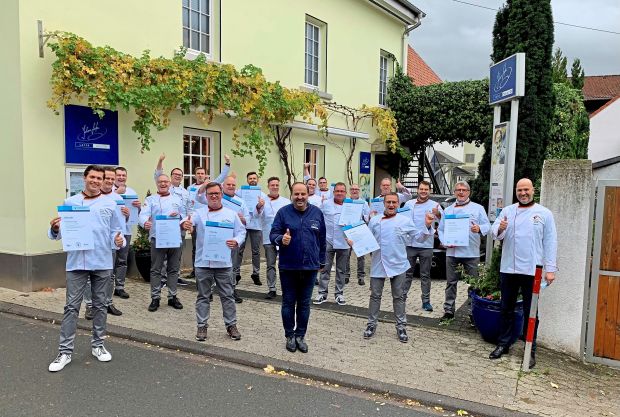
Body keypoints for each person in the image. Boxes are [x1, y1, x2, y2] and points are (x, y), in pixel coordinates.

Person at [47, 165, 126, 372]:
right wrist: (55, 228)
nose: (96, 181)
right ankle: (64, 352)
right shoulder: (70, 203)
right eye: (92, 177)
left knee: (100, 306)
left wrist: (118, 241)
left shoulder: (111, 203)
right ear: (85, 178)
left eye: (99, 178)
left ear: (103, 181)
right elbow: (62, 233)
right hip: (76, 263)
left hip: (102, 262)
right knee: (71, 307)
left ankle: (98, 345)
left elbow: (116, 233)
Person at [489, 178, 557, 369]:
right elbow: (495, 232)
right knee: (506, 308)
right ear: (516, 191)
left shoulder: (544, 214)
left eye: (526, 189)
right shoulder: (508, 211)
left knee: (531, 312)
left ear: (532, 190)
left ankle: (530, 349)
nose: (523, 193)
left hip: (532, 270)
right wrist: (500, 229)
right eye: (519, 190)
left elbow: (550, 242)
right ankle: (503, 344)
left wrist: (550, 270)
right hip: (509, 268)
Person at [354, 192, 434, 343]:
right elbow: (367, 240)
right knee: (375, 296)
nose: (391, 205)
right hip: (378, 263)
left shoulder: (405, 221)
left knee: (399, 297)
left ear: (398, 204)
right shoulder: (375, 221)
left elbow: (419, 237)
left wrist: (427, 225)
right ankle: (371, 325)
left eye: (394, 202)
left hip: (399, 264)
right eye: (388, 202)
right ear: (384, 203)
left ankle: (401, 326)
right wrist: (355, 242)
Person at [181, 182, 245, 342]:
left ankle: (231, 325)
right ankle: (202, 326)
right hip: (203, 263)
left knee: (227, 296)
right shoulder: (199, 213)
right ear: (206, 196)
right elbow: (186, 222)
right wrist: (185, 224)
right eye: (211, 194)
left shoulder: (231, 214)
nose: (214, 196)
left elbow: (241, 231)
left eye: (217, 193)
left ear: (221, 194)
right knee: (203, 296)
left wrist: (236, 241)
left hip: (224, 264)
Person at [270, 182, 326, 353]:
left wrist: (321, 262)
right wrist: (281, 239)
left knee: (304, 304)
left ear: (308, 194)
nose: (300, 197)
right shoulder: (283, 212)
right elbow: (273, 234)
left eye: (303, 194)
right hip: (288, 267)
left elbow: (322, 240)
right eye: (296, 194)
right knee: (288, 303)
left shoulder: (316, 213)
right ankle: (289, 336)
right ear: (292, 195)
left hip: (310, 267)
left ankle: (300, 335)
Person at [438, 181, 490, 323]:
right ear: (454, 192)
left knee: (473, 284)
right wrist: (443, 240)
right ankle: (449, 311)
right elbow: (441, 229)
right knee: (451, 283)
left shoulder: (478, 208)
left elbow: (488, 226)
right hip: (452, 252)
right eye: (458, 190)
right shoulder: (448, 211)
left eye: (464, 190)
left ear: (469, 192)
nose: (461, 192)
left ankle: (473, 313)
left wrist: (479, 228)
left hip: (471, 252)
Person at [83, 166, 128, 319]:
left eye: (111, 178)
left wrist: (127, 216)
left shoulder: (118, 199)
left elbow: (119, 224)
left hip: (110, 244)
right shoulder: (90, 197)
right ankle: (90, 305)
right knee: (89, 276)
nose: (109, 181)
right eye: (106, 178)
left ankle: (107, 302)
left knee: (109, 275)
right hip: (91, 243)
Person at [139, 174, 187, 312]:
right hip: (157, 238)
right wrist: (145, 223)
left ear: (169, 183)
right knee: (156, 269)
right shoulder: (150, 199)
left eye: (165, 181)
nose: (163, 184)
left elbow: (184, 217)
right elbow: (143, 215)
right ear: (157, 184)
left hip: (174, 238)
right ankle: (155, 297)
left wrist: (181, 220)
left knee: (173, 268)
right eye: (160, 182)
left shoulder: (178, 200)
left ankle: (172, 296)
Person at [400, 180, 442, 312]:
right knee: (407, 273)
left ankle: (426, 301)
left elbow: (444, 220)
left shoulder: (435, 205)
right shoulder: (408, 203)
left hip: (426, 245)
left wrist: (439, 214)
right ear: (417, 190)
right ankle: (402, 298)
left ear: (430, 191)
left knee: (425, 274)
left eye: (426, 189)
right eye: (421, 189)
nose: (423, 191)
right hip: (410, 243)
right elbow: (402, 220)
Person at [186, 157, 231, 278]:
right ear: (195, 176)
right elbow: (189, 203)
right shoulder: (189, 189)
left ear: (205, 175)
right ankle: (195, 269)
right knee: (196, 246)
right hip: (197, 220)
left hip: (210, 220)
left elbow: (222, 176)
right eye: (198, 174)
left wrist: (227, 163)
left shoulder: (211, 185)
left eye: (202, 173)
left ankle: (211, 268)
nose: (200, 175)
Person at [314, 182, 350, 306]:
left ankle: (339, 294)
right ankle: (322, 294)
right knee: (325, 269)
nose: (339, 193)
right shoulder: (325, 204)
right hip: (327, 241)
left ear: (345, 193)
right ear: (333, 192)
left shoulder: (350, 205)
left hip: (344, 242)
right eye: (337, 191)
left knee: (341, 270)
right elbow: (318, 218)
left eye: (342, 191)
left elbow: (358, 222)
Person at [257, 176, 290, 299]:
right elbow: (256, 216)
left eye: (277, 185)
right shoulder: (262, 201)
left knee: (284, 264)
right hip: (268, 237)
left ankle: (286, 288)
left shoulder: (286, 202)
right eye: (272, 185)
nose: (275, 187)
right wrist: (259, 206)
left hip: (283, 238)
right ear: (268, 186)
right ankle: (272, 288)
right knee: (270, 264)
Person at [112, 166, 141, 299]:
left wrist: (138, 207)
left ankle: (119, 287)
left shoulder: (131, 191)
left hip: (127, 230)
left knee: (122, 260)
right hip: (112, 232)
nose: (121, 177)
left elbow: (138, 214)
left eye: (124, 175)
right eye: (119, 175)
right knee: (110, 260)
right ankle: (107, 287)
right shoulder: (109, 191)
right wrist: (117, 193)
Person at [236, 171, 265, 286]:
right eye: (250, 178)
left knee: (256, 251)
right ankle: (236, 273)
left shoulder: (262, 195)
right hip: (242, 224)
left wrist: (259, 207)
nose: (252, 180)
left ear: (257, 180)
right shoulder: (240, 192)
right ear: (247, 180)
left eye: (254, 178)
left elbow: (261, 213)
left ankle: (256, 274)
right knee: (239, 250)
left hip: (256, 225)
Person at [346, 184, 371, 285]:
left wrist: (366, 216)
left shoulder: (364, 203)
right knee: (346, 254)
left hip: (360, 229)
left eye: (356, 189)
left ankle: (361, 276)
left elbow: (367, 217)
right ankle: (346, 275)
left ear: (359, 191)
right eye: (352, 189)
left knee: (361, 255)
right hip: (348, 230)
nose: (354, 191)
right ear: (350, 191)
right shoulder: (346, 202)